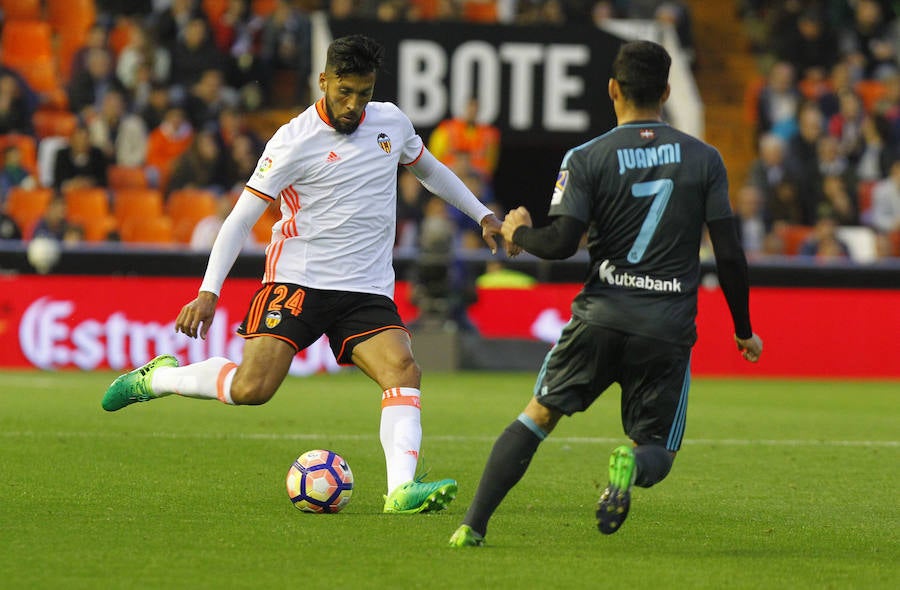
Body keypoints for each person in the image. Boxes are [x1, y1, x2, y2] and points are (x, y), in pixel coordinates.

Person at [101, 34, 508, 515]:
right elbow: (240, 219)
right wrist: (208, 291)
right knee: (252, 389)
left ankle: (400, 490)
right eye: (345, 92)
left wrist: (483, 216)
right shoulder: (292, 140)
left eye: (364, 92)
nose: (354, 105)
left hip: (364, 287)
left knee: (403, 370)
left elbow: (431, 171)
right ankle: (161, 378)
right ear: (324, 81)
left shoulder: (391, 123)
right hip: (297, 280)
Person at [448, 40, 764, 547]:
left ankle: (473, 525)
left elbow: (559, 244)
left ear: (612, 89)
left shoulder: (587, 157)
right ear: (665, 91)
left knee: (538, 415)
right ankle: (630, 463)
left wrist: (517, 232)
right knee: (656, 449)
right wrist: (743, 330)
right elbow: (729, 255)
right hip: (665, 327)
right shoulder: (705, 160)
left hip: (599, 315)